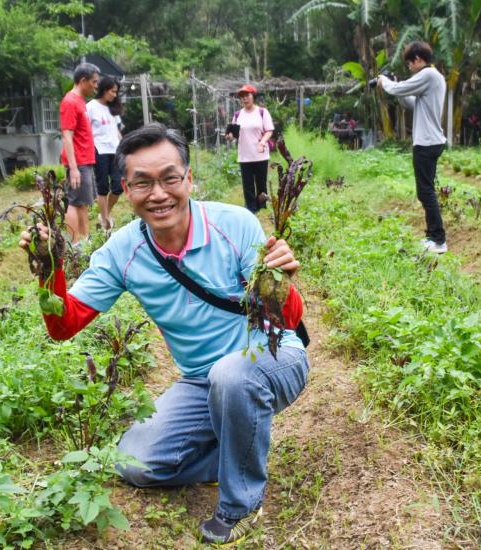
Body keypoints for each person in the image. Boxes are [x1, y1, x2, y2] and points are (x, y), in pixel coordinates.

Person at [19, 124, 309, 546]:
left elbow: (284, 320)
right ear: (125, 188)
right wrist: (50, 267)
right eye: (142, 182)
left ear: (189, 179)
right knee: (135, 464)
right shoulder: (123, 250)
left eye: (170, 178)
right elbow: (64, 325)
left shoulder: (235, 225)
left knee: (233, 375)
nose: (158, 194)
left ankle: (241, 505)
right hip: (200, 381)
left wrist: (282, 281)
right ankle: (235, 451)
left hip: (273, 356)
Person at [378, 41, 448, 254]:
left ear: (418, 59)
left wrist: (385, 81)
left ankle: (438, 240)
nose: (409, 67)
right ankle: (432, 237)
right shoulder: (433, 78)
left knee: (425, 191)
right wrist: (397, 87)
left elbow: (397, 89)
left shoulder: (428, 75)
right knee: (425, 191)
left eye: (409, 63)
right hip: (430, 141)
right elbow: (409, 102)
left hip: (426, 142)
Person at [60, 62, 100, 245]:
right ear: (83, 81)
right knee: (74, 203)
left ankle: (85, 240)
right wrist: (74, 168)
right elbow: (67, 136)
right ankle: (74, 244)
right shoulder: (69, 102)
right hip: (78, 163)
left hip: (85, 161)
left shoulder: (80, 102)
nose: (95, 86)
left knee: (83, 202)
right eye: (94, 81)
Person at [225, 84, 275, 213]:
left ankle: (261, 206)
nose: (244, 99)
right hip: (244, 155)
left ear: (253, 96)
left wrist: (263, 142)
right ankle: (251, 208)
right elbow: (234, 135)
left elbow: (269, 130)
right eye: (242, 97)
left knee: (261, 182)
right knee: (247, 185)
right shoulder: (237, 115)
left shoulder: (262, 112)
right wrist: (230, 137)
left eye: (247, 95)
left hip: (260, 154)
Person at [86, 75, 123, 231]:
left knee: (118, 186)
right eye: (112, 91)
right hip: (99, 150)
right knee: (103, 188)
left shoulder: (113, 108)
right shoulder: (91, 107)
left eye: (116, 92)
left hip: (115, 151)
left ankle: (105, 213)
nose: (114, 95)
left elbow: (118, 131)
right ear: (104, 89)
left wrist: (123, 148)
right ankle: (105, 221)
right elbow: (85, 131)